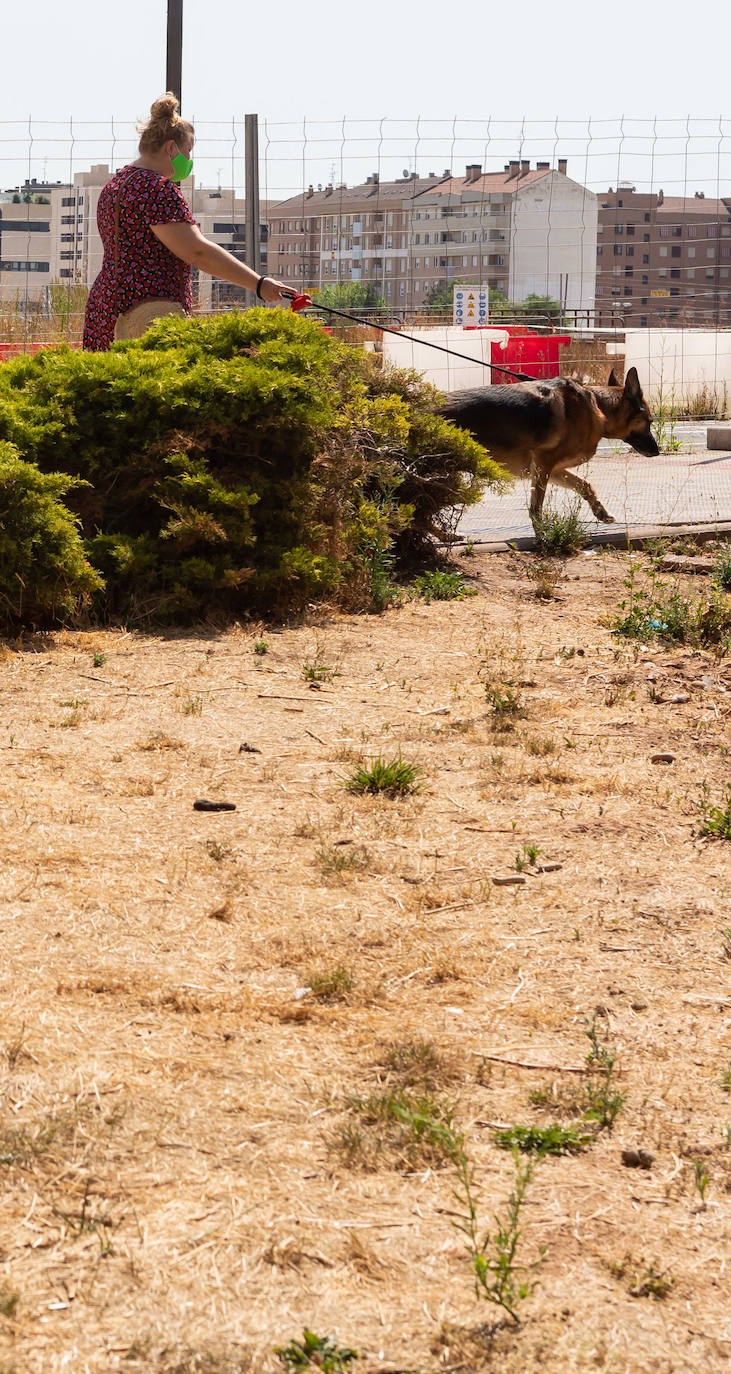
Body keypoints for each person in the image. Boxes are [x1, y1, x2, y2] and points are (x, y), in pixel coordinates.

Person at [83, 94, 290, 350]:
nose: (189, 160)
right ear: (171, 148)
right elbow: (197, 251)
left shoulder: (115, 185)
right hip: (146, 314)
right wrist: (258, 284)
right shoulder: (157, 189)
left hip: (106, 308)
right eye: (188, 151)